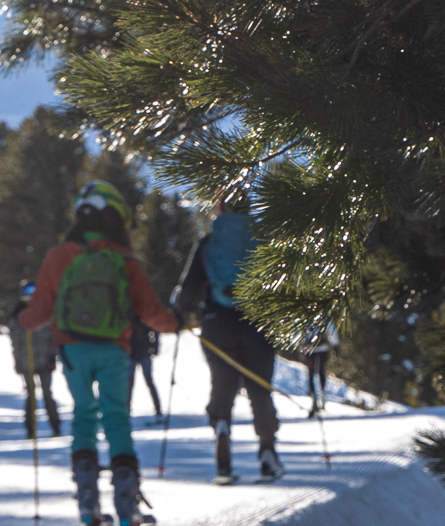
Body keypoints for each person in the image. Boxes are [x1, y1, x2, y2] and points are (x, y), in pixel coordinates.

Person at [17, 181, 179, 526]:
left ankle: (88, 512)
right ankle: (127, 512)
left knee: (84, 417)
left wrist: (23, 319)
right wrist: (174, 323)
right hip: (114, 350)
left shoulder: (58, 256)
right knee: (116, 418)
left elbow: (39, 312)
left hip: (72, 351)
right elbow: (151, 311)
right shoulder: (124, 258)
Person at [173, 188, 283, 484]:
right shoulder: (262, 240)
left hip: (216, 323)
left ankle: (222, 428)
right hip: (257, 323)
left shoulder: (209, 243)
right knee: (260, 389)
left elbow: (189, 289)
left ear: (219, 208)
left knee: (222, 385)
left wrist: (180, 310)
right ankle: (267, 450)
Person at [9, 280, 63, 438]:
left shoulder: (46, 312)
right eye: (28, 292)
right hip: (27, 362)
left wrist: (53, 357)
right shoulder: (17, 315)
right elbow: (15, 342)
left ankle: (56, 427)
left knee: (47, 394)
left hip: (45, 361)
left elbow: (53, 337)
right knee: (31, 396)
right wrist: (18, 362)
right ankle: (31, 431)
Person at [127, 318, 163, 417]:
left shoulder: (131, 315)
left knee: (134, 383)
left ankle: (158, 409)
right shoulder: (142, 316)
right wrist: (154, 347)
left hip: (139, 354)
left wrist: (154, 347)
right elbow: (154, 331)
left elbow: (154, 331)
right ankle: (127, 410)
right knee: (132, 383)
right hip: (137, 353)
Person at [303, 323, 335, 416]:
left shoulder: (305, 314)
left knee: (311, 374)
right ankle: (321, 400)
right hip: (322, 349)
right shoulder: (324, 317)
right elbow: (331, 329)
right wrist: (335, 345)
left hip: (310, 350)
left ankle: (314, 400)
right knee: (321, 373)